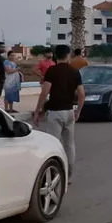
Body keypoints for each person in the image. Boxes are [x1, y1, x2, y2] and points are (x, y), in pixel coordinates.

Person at [34, 44, 85, 181]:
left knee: (53, 144)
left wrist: (38, 111)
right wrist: (78, 111)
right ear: (68, 55)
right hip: (69, 111)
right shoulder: (75, 72)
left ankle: (53, 175)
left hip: (55, 112)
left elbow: (44, 92)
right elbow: (81, 94)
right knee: (69, 144)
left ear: (56, 55)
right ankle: (69, 176)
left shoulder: (52, 71)